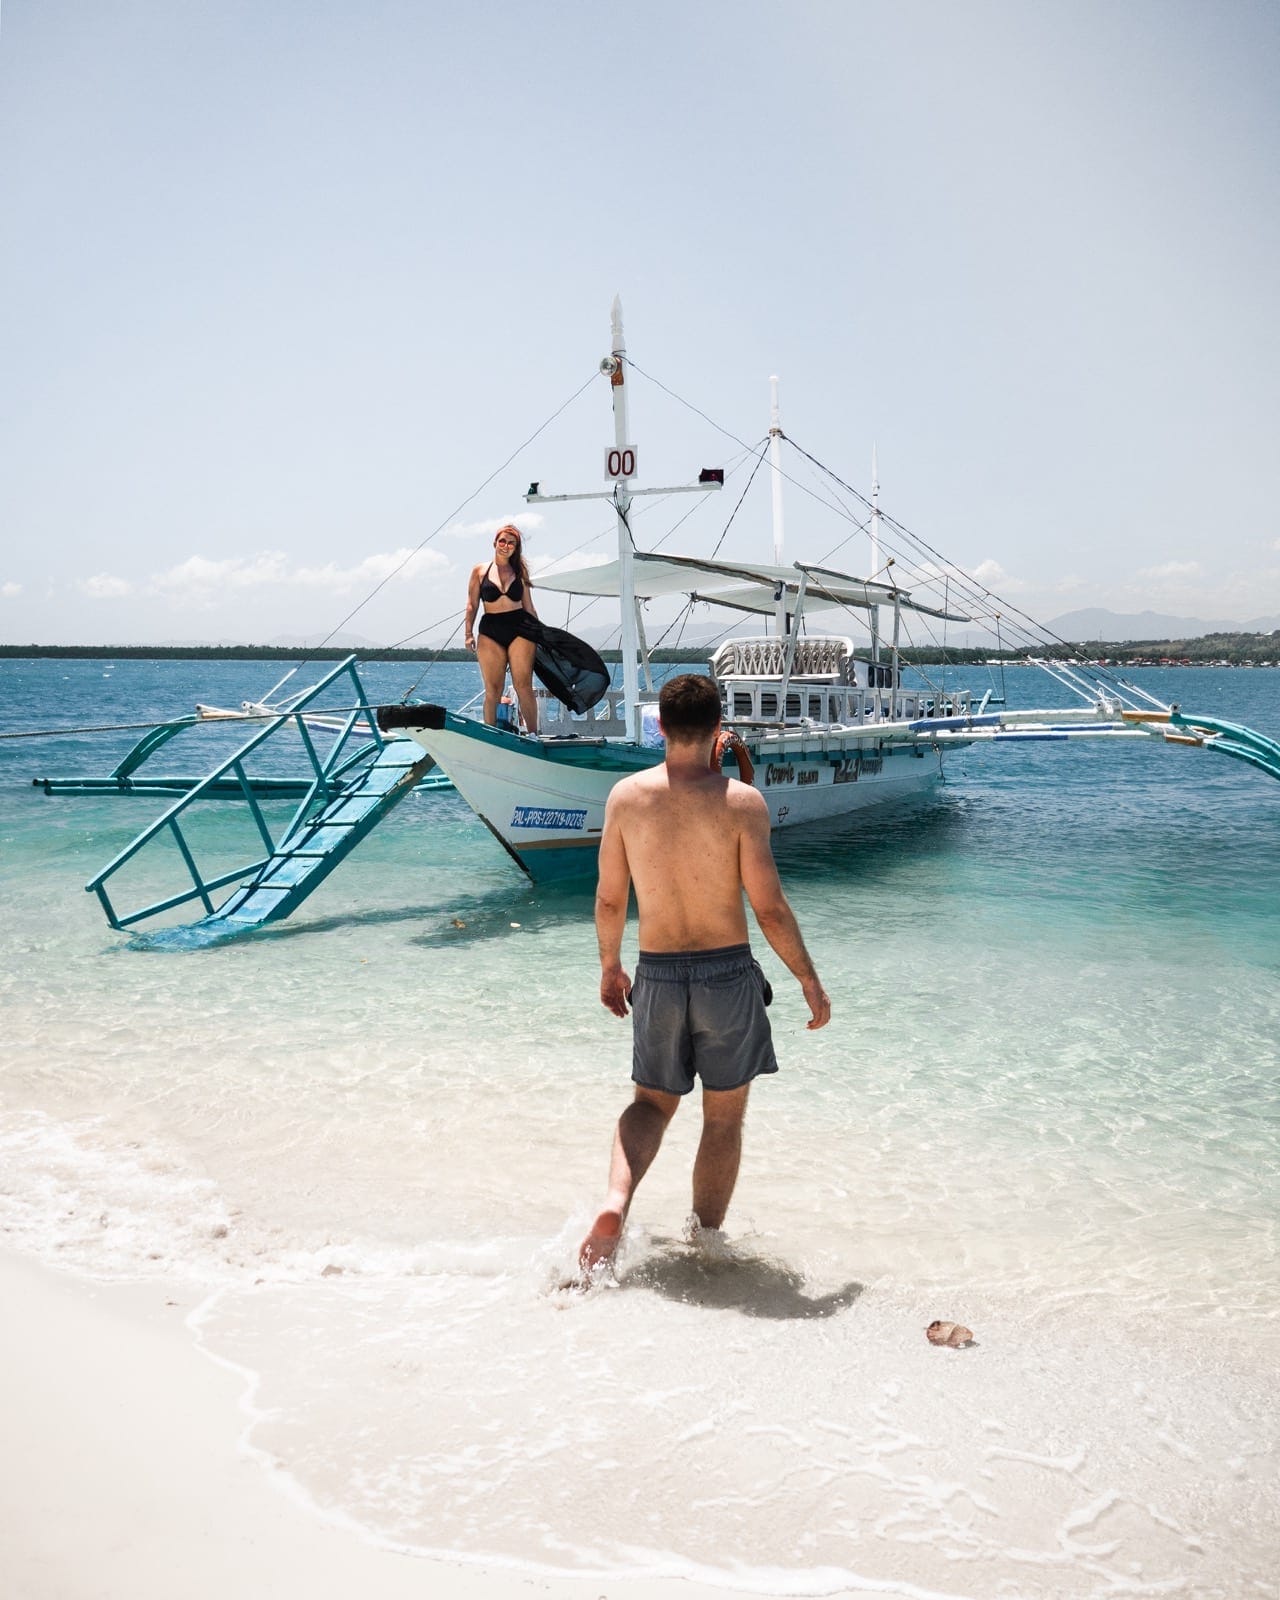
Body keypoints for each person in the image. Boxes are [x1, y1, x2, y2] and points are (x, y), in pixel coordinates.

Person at [580, 673, 830, 1272]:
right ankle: (706, 1244)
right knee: (722, 1117)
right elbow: (768, 906)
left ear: (660, 728)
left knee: (650, 1104)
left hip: (659, 975)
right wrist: (807, 979)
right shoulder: (742, 803)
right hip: (726, 976)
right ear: (720, 730)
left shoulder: (625, 798)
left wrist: (611, 967)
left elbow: (611, 899)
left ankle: (617, 1201)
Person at [464, 524, 539, 734]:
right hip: (491, 630)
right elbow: (472, 605)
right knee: (493, 689)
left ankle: (533, 733)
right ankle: (491, 734)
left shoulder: (520, 572)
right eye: (502, 541)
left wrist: (540, 632)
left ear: (516, 548)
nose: (506, 546)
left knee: (523, 685)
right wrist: (468, 634)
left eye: (511, 543)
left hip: (520, 629)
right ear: (495, 543)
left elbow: (529, 606)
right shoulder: (480, 571)